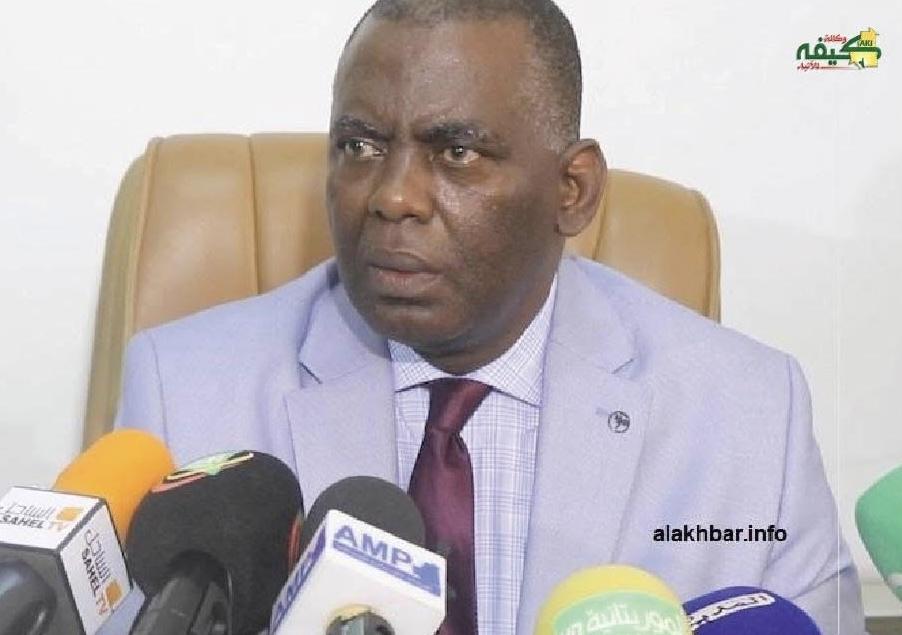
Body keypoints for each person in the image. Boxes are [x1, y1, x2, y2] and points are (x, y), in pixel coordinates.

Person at [113, 1, 865, 633]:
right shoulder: (185, 394)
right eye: (360, 145)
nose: (392, 196)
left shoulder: (750, 415)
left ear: (572, 191)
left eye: (457, 153)